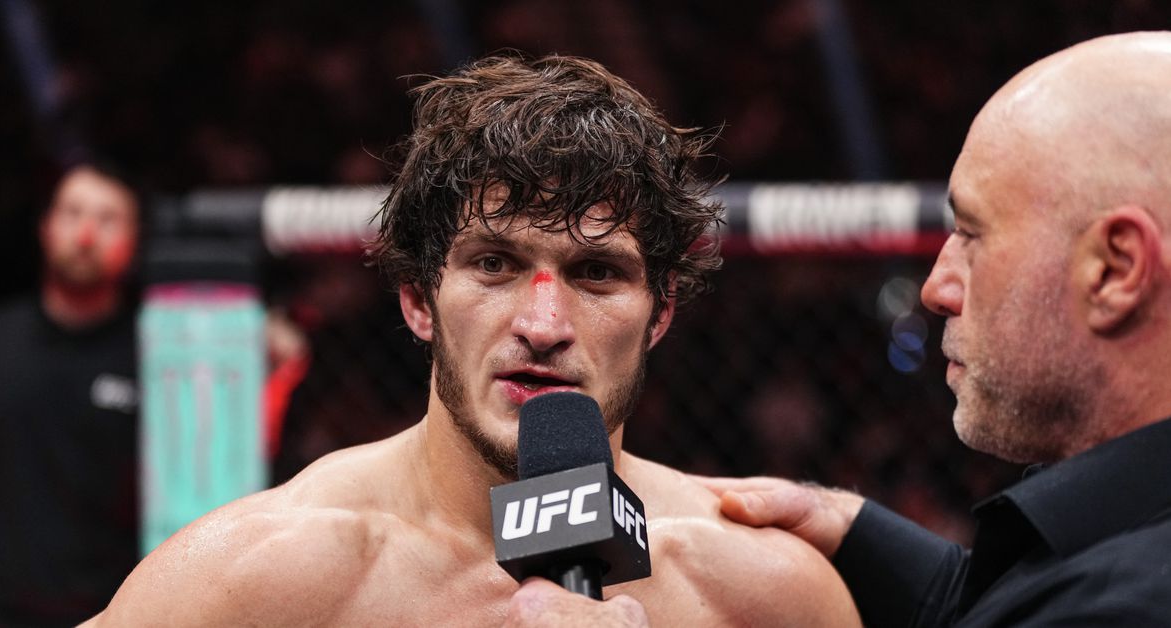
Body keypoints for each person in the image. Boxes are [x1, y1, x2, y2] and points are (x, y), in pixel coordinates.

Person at [84, 54, 860, 626]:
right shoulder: (254, 580)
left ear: (660, 316)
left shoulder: (759, 592)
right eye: (495, 264)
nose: (543, 327)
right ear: (418, 300)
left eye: (596, 273)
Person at [690, 31, 1171, 627]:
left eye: (972, 234)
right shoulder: (1132, 536)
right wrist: (847, 524)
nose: (936, 289)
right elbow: (1011, 601)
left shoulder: (1124, 608)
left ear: (1114, 270)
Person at [0, 162, 142, 626]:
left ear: (133, 241)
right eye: (72, 213)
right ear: (46, 227)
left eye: (107, 219)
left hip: (109, 613)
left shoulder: (158, 359)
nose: (86, 235)